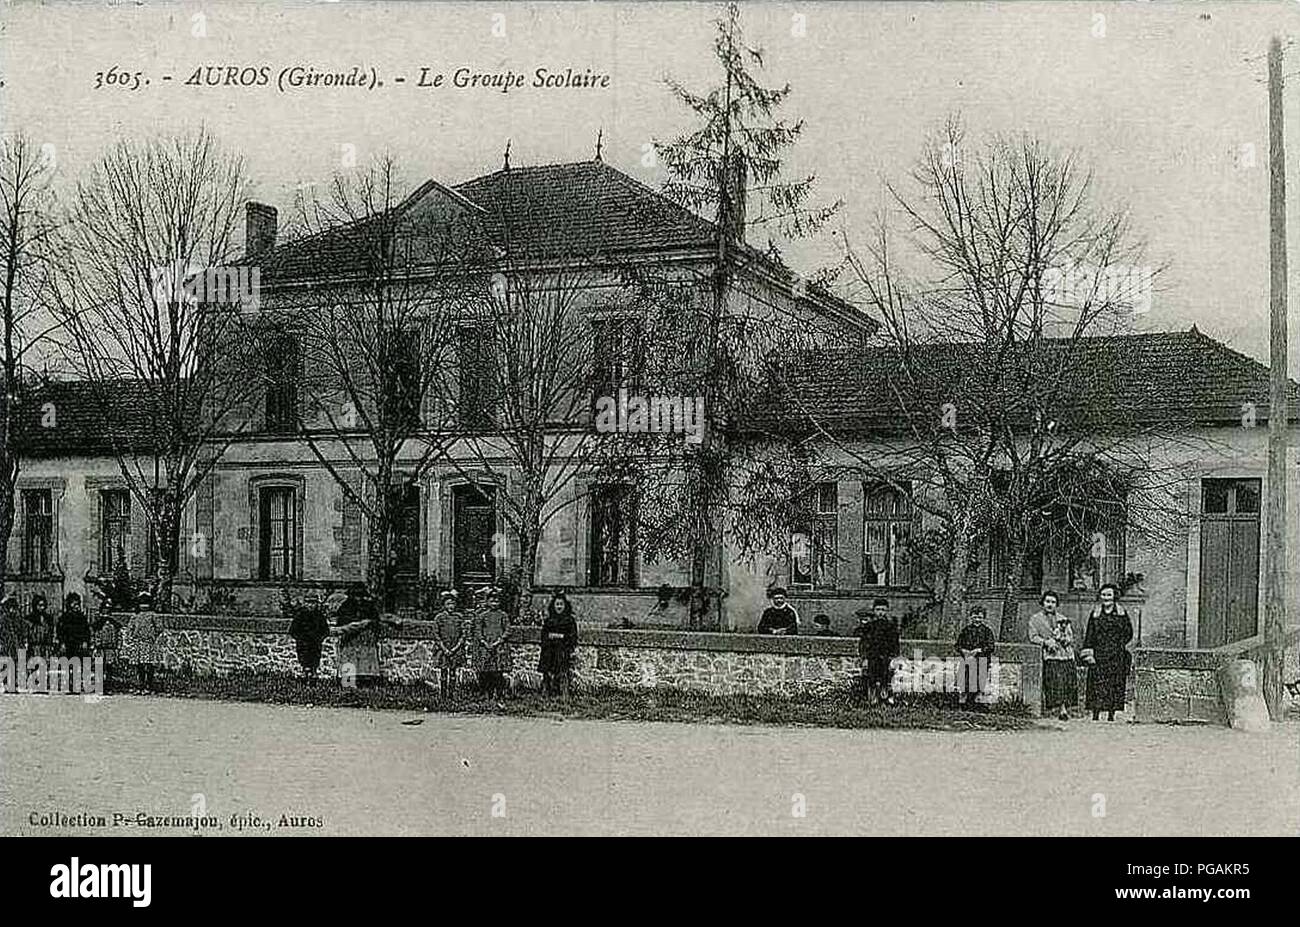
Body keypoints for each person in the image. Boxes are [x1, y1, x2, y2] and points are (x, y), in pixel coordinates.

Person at [1081, 583, 1133, 722]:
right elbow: (1089, 634)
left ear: (1114, 596)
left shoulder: (1121, 613)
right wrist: (1089, 652)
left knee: (1114, 683)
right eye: (1103, 595)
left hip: (1116, 654)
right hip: (1099, 654)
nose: (1106, 598)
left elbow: (1128, 632)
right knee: (1097, 683)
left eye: (1109, 595)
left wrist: (1118, 645)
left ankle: (1111, 713)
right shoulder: (1096, 613)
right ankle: (1096, 713)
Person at [1028, 589, 1078, 721]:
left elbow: (1070, 637)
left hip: (1065, 654)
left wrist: (1064, 639)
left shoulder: (1063, 619)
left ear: (1057, 605)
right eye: (1047, 601)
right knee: (1055, 680)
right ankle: (1055, 708)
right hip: (1050, 654)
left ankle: (1064, 708)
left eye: (1053, 602)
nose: (1050, 605)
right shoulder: (1035, 619)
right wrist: (1046, 642)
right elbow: (1033, 637)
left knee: (1067, 680)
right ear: (1043, 603)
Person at [335, 582, 385, 687]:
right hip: (350, 640)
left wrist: (370, 626)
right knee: (349, 661)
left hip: (365, 640)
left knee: (366, 662)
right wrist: (355, 625)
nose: (358, 599)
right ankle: (348, 683)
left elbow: (375, 621)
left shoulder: (369, 606)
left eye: (360, 596)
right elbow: (341, 623)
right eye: (356, 596)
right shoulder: (345, 607)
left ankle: (367, 682)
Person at [857, 598, 900, 705]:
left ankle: (886, 699)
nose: (880, 612)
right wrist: (865, 658)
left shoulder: (891, 627)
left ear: (887, 611)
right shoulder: (869, 627)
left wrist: (894, 658)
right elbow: (864, 644)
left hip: (886, 657)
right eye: (878, 610)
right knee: (871, 678)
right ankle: (872, 700)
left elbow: (895, 644)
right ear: (874, 611)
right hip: (872, 657)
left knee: (886, 679)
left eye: (883, 610)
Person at [538, 589, 578, 700]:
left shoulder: (569, 620)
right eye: (557, 604)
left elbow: (573, 637)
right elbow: (544, 636)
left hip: (562, 650)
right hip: (549, 650)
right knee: (547, 671)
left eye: (561, 604)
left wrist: (561, 637)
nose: (559, 607)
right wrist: (549, 638)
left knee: (562, 671)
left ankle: (564, 694)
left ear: (565, 606)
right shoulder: (549, 620)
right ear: (553, 606)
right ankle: (546, 693)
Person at [472, 587, 511, 699]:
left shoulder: (503, 615)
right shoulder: (483, 616)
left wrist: (499, 640)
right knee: (486, 671)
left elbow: (507, 629)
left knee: (498, 671)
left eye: (496, 601)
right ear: (487, 602)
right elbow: (478, 630)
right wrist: (483, 641)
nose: (494, 603)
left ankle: (499, 693)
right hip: (486, 646)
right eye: (491, 601)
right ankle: (486, 693)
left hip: (499, 647)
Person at [955, 606, 996, 709]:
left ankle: (975, 703)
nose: (977, 620)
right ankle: (965, 703)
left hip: (981, 661)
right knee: (966, 681)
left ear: (983, 619)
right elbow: (958, 645)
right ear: (970, 618)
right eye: (974, 617)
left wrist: (979, 650)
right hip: (968, 660)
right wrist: (963, 650)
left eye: (979, 617)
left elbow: (991, 646)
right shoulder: (966, 630)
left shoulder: (987, 631)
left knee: (978, 682)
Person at [122, 591, 164, 692]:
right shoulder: (135, 616)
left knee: (148, 665)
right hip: (138, 642)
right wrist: (131, 637)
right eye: (142, 603)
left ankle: (149, 685)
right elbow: (129, 628)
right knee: (139, 665)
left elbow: (159, 628)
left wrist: (152, 636)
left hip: (148, 642)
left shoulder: (153, 615)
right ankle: (141, 684)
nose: (143, 606)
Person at [432, 589, 467, 700]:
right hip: (443, 649)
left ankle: (451, 695)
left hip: (455, 649)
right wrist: (444, 648)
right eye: (448, 604)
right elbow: (436, 635)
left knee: (453, 672)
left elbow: (463, 634)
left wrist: (456, 648)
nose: (451, 606)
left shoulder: (459, 617)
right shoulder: (439, 618)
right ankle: (443, 696)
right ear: (444, 605)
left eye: (453, 603)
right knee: (443, 672)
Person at [287, 591, 331, 681]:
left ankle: (313, 678)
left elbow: (325, 630)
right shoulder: (300, 615)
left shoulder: (319, 616)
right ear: (304, 603)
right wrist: (300, 638)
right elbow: (292, 630)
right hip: (303, 644)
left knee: (314, 662)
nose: (310, 605)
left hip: (315, 643)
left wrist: (319, 638)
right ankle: (304, 677)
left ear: (317, 604)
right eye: (308, 603)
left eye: (313, 603)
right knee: (304, 662)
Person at [56, 592, 92, 659]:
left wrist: (85, 641)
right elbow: (60, 632)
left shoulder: (82, 618)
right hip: (68, 645)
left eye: (78, 604)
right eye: (74, 604)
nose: (76, 606)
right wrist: (62, 643)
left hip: (79, 645)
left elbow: (86, 631)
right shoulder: (64, 618)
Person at [27, 593, 56, 659]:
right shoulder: (30, 619)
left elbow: (52, 632)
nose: (42, 608)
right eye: (40, 605)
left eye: (43, 605)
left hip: (46, 649)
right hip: (34, 648)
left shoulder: (48, 618)